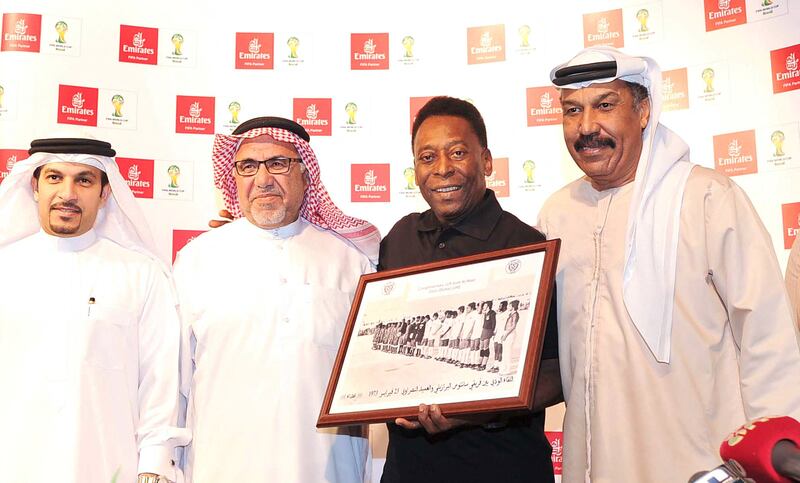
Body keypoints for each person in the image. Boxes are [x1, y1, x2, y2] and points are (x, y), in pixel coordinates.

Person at [538, 46, 800, 483]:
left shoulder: (708, 198)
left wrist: (779, 452)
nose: (586, 127)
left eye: (605, 105)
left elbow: (767, 338)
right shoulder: (556, 215)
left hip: (704, 465)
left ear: (643, 110)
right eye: (571, 111)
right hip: (595, 462)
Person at [173, 116, 380, 482]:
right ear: (232, 176)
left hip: (327, 470)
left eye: (279, 163)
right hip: (222, 466)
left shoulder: (351, 261)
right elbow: (174, 383)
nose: (263, 179)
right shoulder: (197, 259)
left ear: (305, 174)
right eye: (248, 166)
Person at [379, 96, 562, 483]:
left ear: (487, 161)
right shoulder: (398, 239)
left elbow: (557, 371)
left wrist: (476, 411)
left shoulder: (527, 247)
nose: (442, 169)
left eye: (457, 152)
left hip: (503, 468)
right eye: (427, 157)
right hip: (408, 472)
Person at [0, 137, 188, 483]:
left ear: (105, 194)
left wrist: (154, 464)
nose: (68, 193)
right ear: (35, 187)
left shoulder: (142, 274)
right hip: (13, 461)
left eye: (84, 180)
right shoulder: (4, 267)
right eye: (54, 178)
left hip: (104, 464)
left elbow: (158, 381)